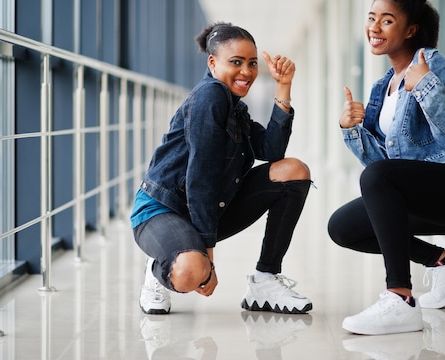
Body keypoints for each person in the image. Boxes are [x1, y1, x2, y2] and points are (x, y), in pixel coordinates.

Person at [328, 0, 445, 335]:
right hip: (427, 192)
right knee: (343, 227)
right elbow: (382, 166)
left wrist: (425, 87)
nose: (374, 27)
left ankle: (400, 298)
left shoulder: (433, 64)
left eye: (387, 20)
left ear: (410, 30)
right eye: (371, 18)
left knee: (379, 178)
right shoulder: (382, 87)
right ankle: (442, 262)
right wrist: (353, 130)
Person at [131, 22, 313, 316]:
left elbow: (272, 152)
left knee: (293, 170)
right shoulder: (210, 96)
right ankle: (158, 270)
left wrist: (284, 87)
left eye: (252, 63)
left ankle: (265, 280)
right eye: (236, 62)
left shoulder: (233, 104)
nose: (247, 71)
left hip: (208, 207)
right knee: (192, 272)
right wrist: (208, 260)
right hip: (163, 211)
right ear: (212, 62)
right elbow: (201, 178)